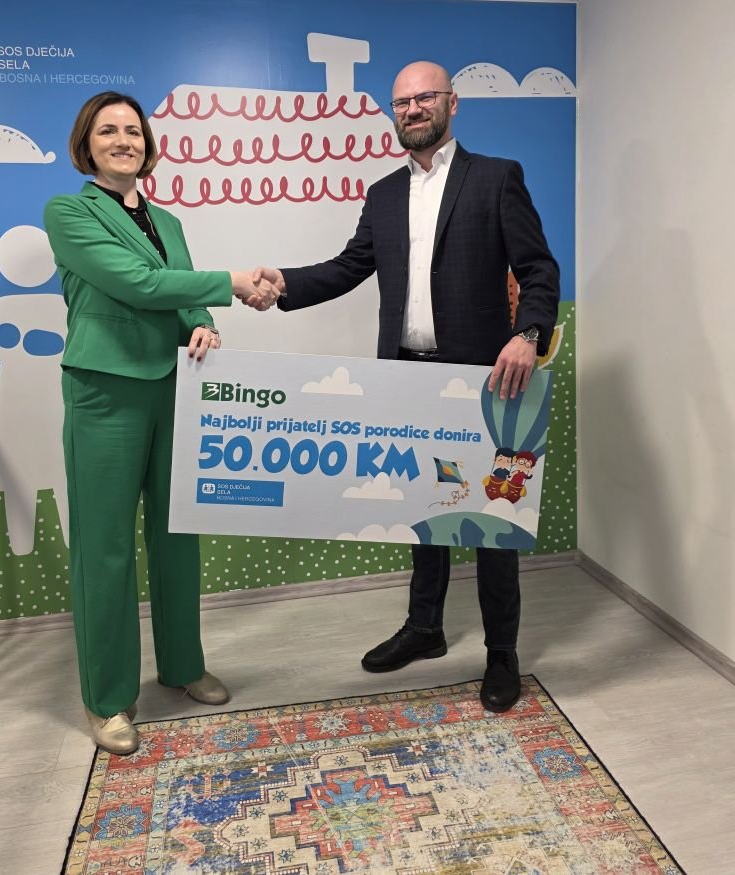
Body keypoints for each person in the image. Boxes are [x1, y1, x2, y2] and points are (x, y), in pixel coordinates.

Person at [253, 61, 559, 713]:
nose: (413, 109)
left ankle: (502, 652)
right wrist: (284, 283)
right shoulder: (384, 194)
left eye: (425, 98)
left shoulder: (497, 177)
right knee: (425, 513)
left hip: (486, 380)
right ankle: (426, 628)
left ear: (452, 103)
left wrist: (528, 334)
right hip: (407, 380)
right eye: (402, 102)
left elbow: (538, 269)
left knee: (492, 522)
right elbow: (349, 266)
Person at [43, 92, 278, 754]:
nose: (124, 140)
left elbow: (179, 292)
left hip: (176, 386)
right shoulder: (68, 212)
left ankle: (183, 665)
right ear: (86, 144)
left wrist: (203, 324)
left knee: (178, 536)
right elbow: (139, 284)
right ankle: (107, 698)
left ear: (148, 144)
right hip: (106, 393)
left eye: (133, 130)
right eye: (108, 131)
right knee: (105, 547)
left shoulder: (167, 219)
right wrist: (233, 281)